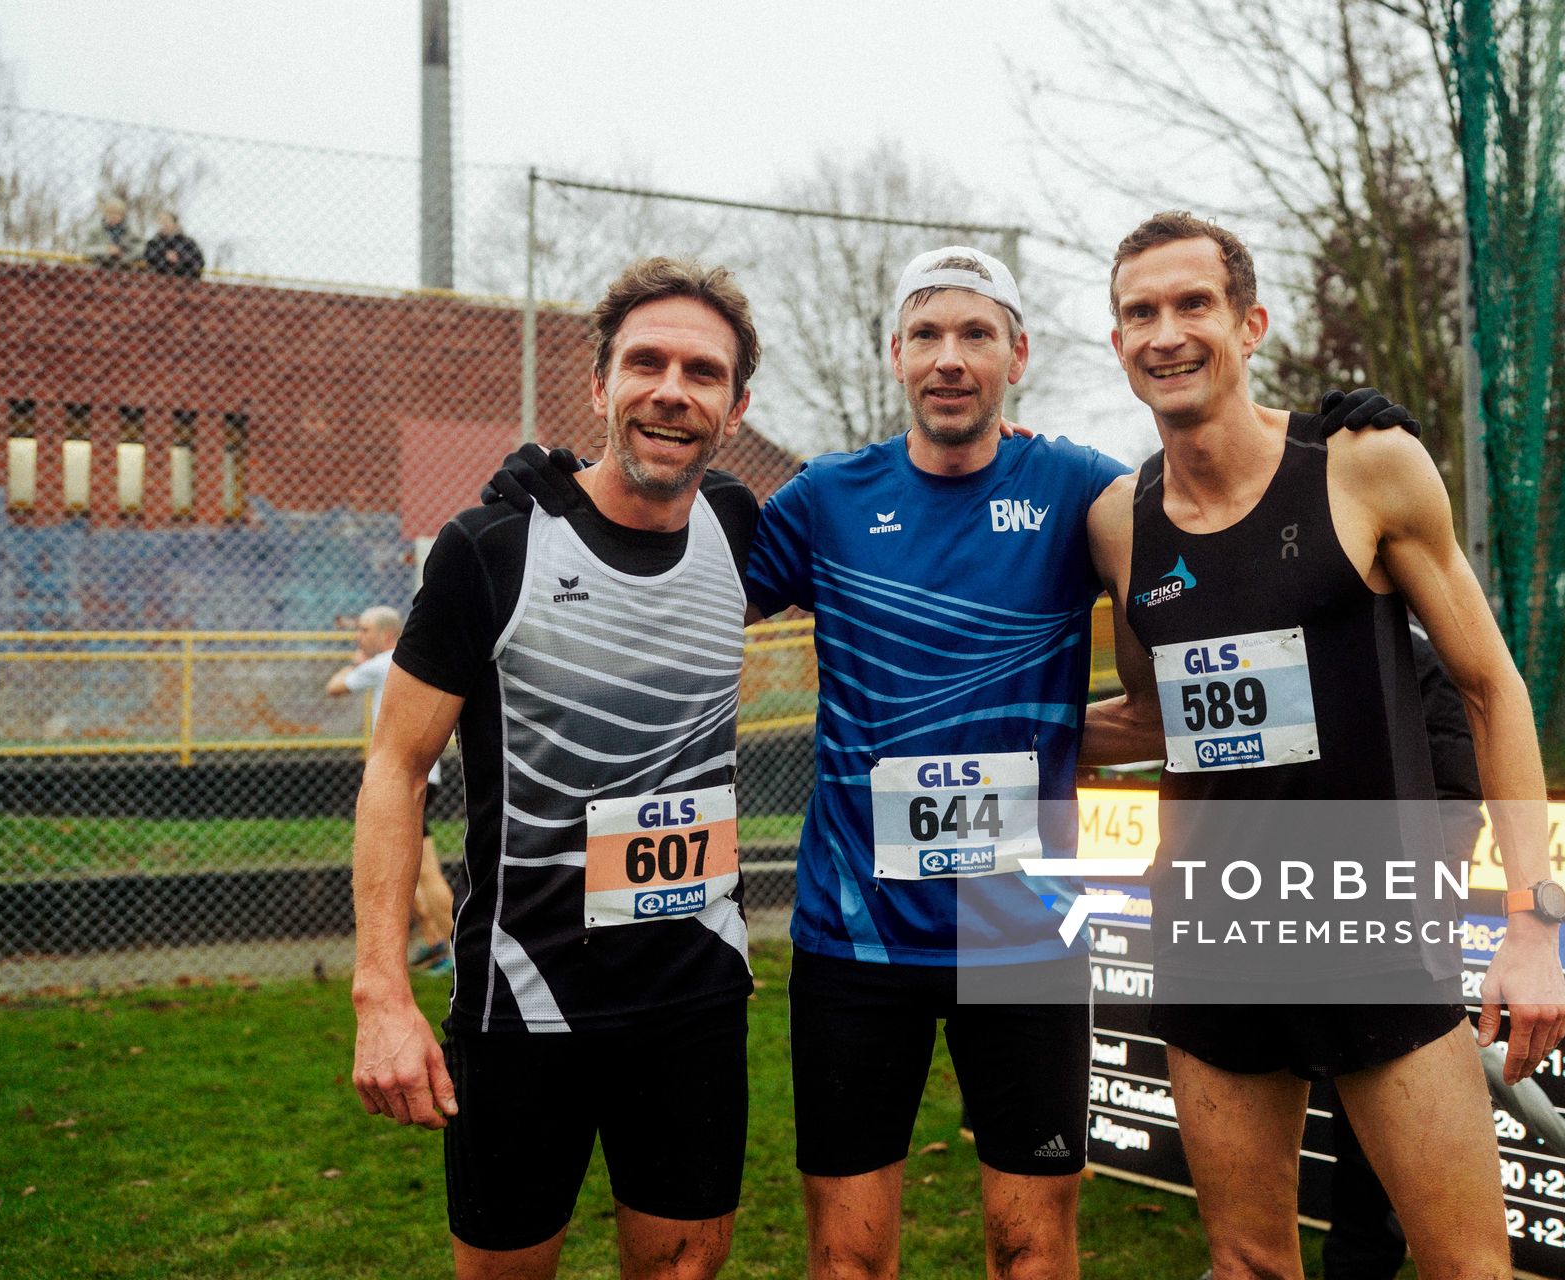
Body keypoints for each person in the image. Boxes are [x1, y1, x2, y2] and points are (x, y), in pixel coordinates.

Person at [486, 247, 1412, 1280]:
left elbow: (1216, 550)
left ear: (1017, 352)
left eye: (977, 334)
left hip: (1022, 937)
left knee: (1032, 1252)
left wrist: (1319, 462)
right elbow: (664, 553)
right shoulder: (827, 498)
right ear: (895, 355)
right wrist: (555, 495)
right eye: (927, 334)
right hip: (855, 940)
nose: (951, 358)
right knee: (847, 1260)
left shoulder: (1081, 490)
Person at [1081, 211, 1565, 1280]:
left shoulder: (1365, 467)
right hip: (1213, 934)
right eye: (1139, 313)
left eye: (1192, 303)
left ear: (1250, 323)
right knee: (1248, 1264)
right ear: (1117, 346)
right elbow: (1159, 719)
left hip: (1371, 925)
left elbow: (1494, 689)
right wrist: (1004, 741)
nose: (1166, 332)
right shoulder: (1121, 521)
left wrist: (1533, 921)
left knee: (1466, 1269)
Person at [350, 256, 763, 1280]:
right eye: (647, 362)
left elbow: (911, 520)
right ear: (599, 385)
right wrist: (383, 995)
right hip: (526, 1002)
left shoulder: (741, 529)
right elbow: (394, 769)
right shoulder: (491, 545)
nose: (673, 389)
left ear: (737, 404)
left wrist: (1002, 448)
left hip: (695, 999)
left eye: (703, 372)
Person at [1322, 619, 1485, 1280]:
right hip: (1281, 919)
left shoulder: (1418, 656)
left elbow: (1454, 794)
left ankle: (1363, 1263)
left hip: (1384, 937)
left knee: (1379, 1140)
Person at [327, 605, 456, 972]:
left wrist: (354, 663)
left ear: (386, 636)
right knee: (405, 868)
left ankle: (461, 953)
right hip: (420, 776)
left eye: (364, 629)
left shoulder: (383, 662)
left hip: (404, 779)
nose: (359, 635)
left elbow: (334, 686)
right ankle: (438, 945)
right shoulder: (408, 660)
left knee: (426, 872)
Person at [80, 196, 140, 269]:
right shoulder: (94, 229)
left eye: (117, 214)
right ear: (104, 214)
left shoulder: (130, 230)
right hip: (98, 267)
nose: (113, 217)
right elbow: (84, 249)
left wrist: (123, 255)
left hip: (124, 268)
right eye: (110, 213)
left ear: (123, 216)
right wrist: (106, 250)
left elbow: (140, 248)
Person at [143, 211, 205, 279]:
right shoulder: (153, 243)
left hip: (184, 281)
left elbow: (199, 262)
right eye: (160, 221)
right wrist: (164, 255)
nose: (163, 224)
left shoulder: (188, 243)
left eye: (166, 221)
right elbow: (147, 258)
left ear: (175, 224)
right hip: (157, 280)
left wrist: (179, 257)